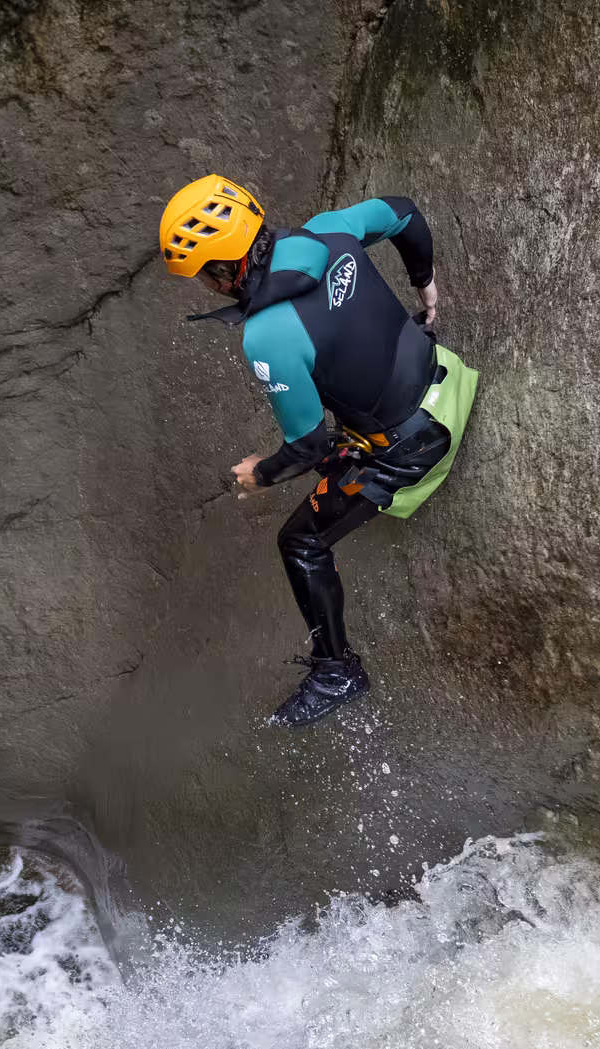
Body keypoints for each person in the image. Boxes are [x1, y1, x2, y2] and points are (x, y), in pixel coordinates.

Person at [160, 174, 479, 725]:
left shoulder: (267, 336)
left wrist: (260, 473)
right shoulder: (330, 232)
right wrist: (425, 286)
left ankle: (336, 672)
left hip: (413, 448)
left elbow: (307, 445)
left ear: (219, 275)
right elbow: (404, 213)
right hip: (444, 378)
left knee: (300, 543)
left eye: (200, 277)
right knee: (341, 445)